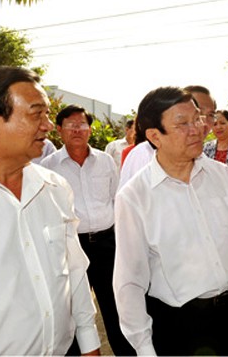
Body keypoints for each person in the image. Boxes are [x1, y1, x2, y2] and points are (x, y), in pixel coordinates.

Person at [113, 86, 228, 356]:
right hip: (180, 326)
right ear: (155, 135)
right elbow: (129, 281)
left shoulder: (222, 175)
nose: (196, 129)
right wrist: (145, 348)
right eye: (182, 124)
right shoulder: (135, 197)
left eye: (197, 119)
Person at [0, 65, 100, 355]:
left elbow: (74, 272)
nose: (47, 124)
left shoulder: (55, 188)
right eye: (36, 113)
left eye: (46, 114)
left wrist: (90, 343)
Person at [41, 105, 134, 356]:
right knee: (72, 312)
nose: (77, 129)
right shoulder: (49, 166)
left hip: (106, 244)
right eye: (70, 124)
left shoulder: (105, 161)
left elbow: (117, 200)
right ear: (59, 130)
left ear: (89, 129)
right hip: (71, 246)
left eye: (82, 124)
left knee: (115, 308)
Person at [119, 85, 216, 188]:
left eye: (211, 115)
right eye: (199, 113)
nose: (204, 122)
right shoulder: (142, 155)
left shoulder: (219, 173)